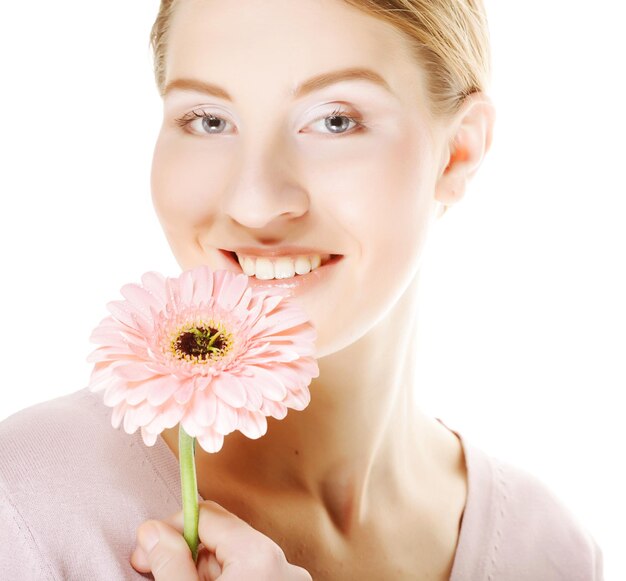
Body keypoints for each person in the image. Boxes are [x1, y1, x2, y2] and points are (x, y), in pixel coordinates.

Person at [0, 0, 604, 579]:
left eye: (335, 120)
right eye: (209, 120)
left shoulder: (549, 550)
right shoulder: (26, 505)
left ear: (457, 152)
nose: (256, 203)